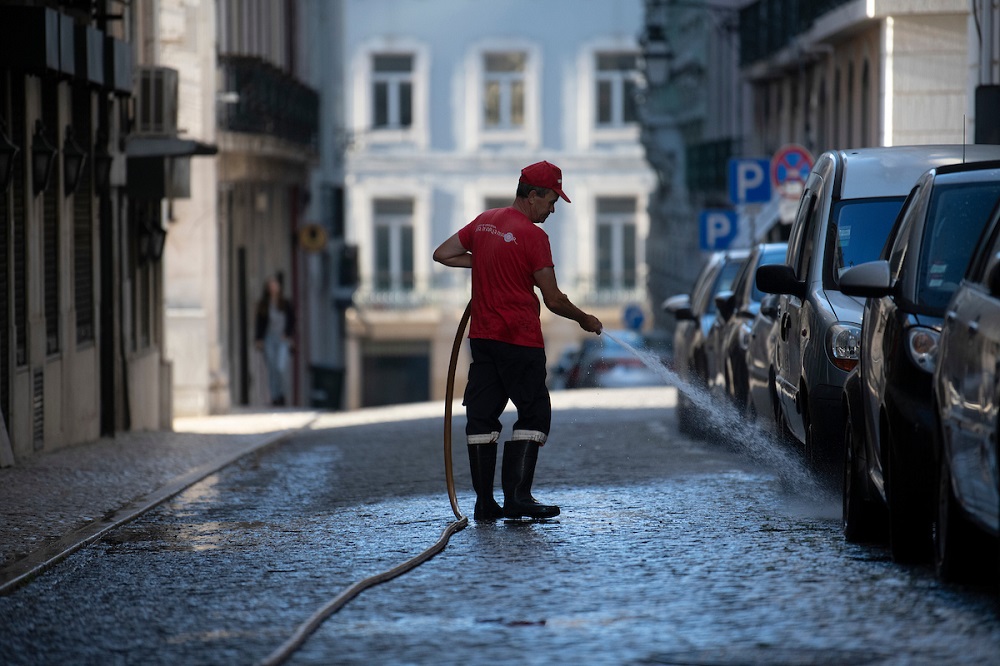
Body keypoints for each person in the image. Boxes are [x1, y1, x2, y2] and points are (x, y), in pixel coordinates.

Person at [433, 161, 603, 520]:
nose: (553, 208)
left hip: (482, 338)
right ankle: (518, 498)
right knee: (534, 413)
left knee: (482, 418)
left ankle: (484, 504)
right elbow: (553, 299)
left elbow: (443, 254)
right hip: (520, 340)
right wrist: (585, 319)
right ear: (534, 195)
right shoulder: (534, 237)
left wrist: (487, 261)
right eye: (552, 200)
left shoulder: (485, 221)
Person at [254, 274, 295, 407]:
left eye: (274, 284)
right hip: (269, 339)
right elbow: (259, 322)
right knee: (271, 369)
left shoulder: (285, 303)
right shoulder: (264, 304)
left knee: (280, 367)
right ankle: (275, 397)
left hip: (282, 339)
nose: (273, 287)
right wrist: (259, 339)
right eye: (270, 285)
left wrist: (288, 334)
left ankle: (282, 394)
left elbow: (292, 320)